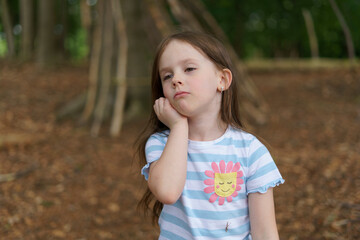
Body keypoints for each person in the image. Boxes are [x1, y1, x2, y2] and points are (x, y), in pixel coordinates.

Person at [136, 31, 284, 240]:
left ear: (222, 79)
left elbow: (265, 233)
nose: (176, 79)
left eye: (189, 69)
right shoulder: (160, 144)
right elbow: (167, 192)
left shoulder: (251, 151)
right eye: (167, 76)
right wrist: (178, 126)